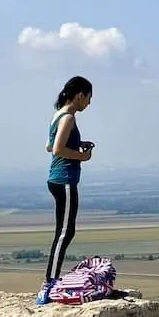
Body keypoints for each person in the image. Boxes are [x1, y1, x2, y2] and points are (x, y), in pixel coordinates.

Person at [36, 76, 96, 305]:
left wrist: (76, 145)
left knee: (65, 230)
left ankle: (51, 279)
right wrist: (82, 156)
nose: (88, 103)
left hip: (56, 179)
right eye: (88, 98)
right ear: (80, 95)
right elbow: (58, 149)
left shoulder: (58, 114)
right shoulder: (69, 117)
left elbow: (49, 145)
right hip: (65, 180)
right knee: (65, 232)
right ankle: (49, 283)